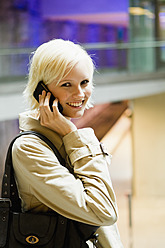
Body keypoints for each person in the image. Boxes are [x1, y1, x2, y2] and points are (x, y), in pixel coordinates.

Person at [12, 39, 123, 247]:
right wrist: (72, 133)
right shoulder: (29, 148)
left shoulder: (66, 139)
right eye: (66, 85)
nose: (80, 94)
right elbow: (103, 212)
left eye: (85, 82)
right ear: (41, 90)